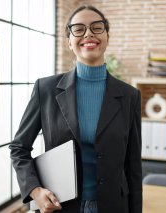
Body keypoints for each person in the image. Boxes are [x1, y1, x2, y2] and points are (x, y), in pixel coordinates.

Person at [10, 5, 142, 213]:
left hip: (113, 206)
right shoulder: (45, 89)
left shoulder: (130, 96)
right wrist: (35, 190)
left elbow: (133, 167)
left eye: (97, 27)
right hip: (60, 206)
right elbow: (19, 148)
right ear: (69, 42)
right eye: (78, 29)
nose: (88, 33)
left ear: (107, 36)